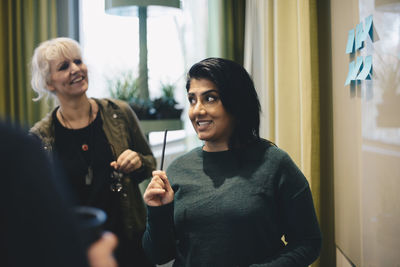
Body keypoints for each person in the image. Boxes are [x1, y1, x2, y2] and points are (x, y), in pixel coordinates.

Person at [142, 58, 322, 266]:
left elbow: (308, 242)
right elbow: (159, 255)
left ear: (236, 103)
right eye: (192, 99)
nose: (197, 110)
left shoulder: (275, 164)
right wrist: (157, 211)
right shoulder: (178, 169)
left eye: (210, 98)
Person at [29, 37, 156, 267]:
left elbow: (150, 163)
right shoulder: (40, 138)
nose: (76, 69)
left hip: (129, 243)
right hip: (75, 252)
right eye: (64, 66)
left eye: (78, 61)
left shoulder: (119, 113)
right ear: (49, 83)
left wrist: (138, 162)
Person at [0, 121, 118, 267]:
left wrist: (140, 162)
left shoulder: (116, 114)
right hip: (74, 242)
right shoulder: (26, 143)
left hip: (121, 230)